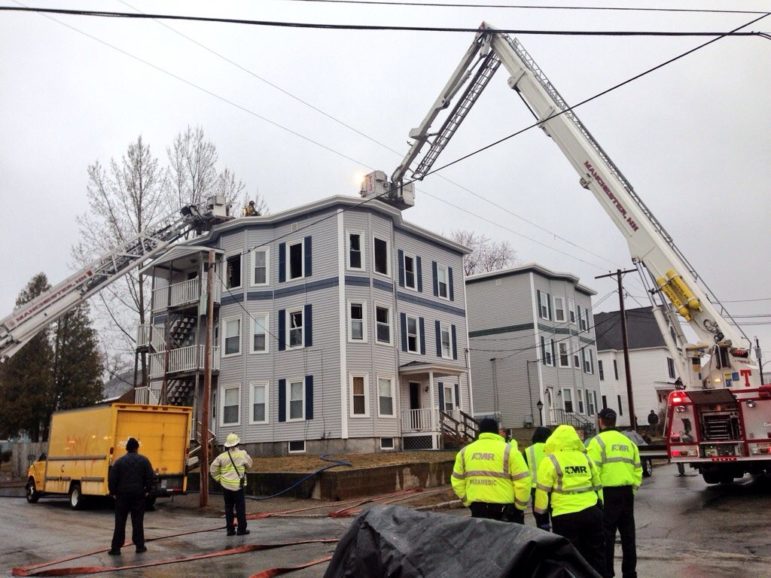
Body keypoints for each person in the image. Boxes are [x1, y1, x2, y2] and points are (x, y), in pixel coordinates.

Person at [534, 425, 605, 576]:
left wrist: (541, 517)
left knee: (569, 558)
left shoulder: (550, 460)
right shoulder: (585, 458)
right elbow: (597, 485)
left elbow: (542, 491)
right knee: (596, 555)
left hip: (565, 515)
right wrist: (600, 506)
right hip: (591, 512)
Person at [587, 408, 642, 578]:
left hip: (607, 494)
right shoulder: (628, 442)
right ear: (614, 421)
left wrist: (597, 498)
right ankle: (630, 573)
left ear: (600, 421)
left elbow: (592, 471)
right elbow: (638, 469)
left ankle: (607, 573)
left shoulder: (597, 442)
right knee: (628, 536)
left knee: (607, 538)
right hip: (626, 493)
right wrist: (632, 490)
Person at [451, 417, 530, 523]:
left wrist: (467, 502)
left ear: (480, 432)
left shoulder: (464, 452)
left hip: (478, 509)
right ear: (497, 431)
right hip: (505, 511)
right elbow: (523, 482)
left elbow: (457, 481)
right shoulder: (510, 451)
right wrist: (519, 506)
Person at [108, 437, 154, 556]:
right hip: (138, 495)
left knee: (120, 522)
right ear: (137, 448)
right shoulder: (144, 461)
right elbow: (150, 477)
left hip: (122, 495)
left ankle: (116, 548)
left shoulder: (119, 462)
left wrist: (113, 492)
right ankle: (139, 546)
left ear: (126, 448)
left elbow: (112, 478)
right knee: (138, 521)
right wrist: (147, 490)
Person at [210, 433, 253, 536]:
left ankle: (230, 530)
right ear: (237, 443)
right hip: (238, 486)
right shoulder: (242, 454)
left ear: (227, 445)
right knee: (240, 508)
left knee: (228, 508)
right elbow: (250, 465)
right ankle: (241, 529)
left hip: (226, 486)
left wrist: (219, 479)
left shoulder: (222, 457)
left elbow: (213, 469)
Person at [524, 426, 552, 531]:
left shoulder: (528, 451)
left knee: (541, 522)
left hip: (536, 489)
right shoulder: (554, 449)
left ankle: (544, 535)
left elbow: (523, 472)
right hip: (554, 489)